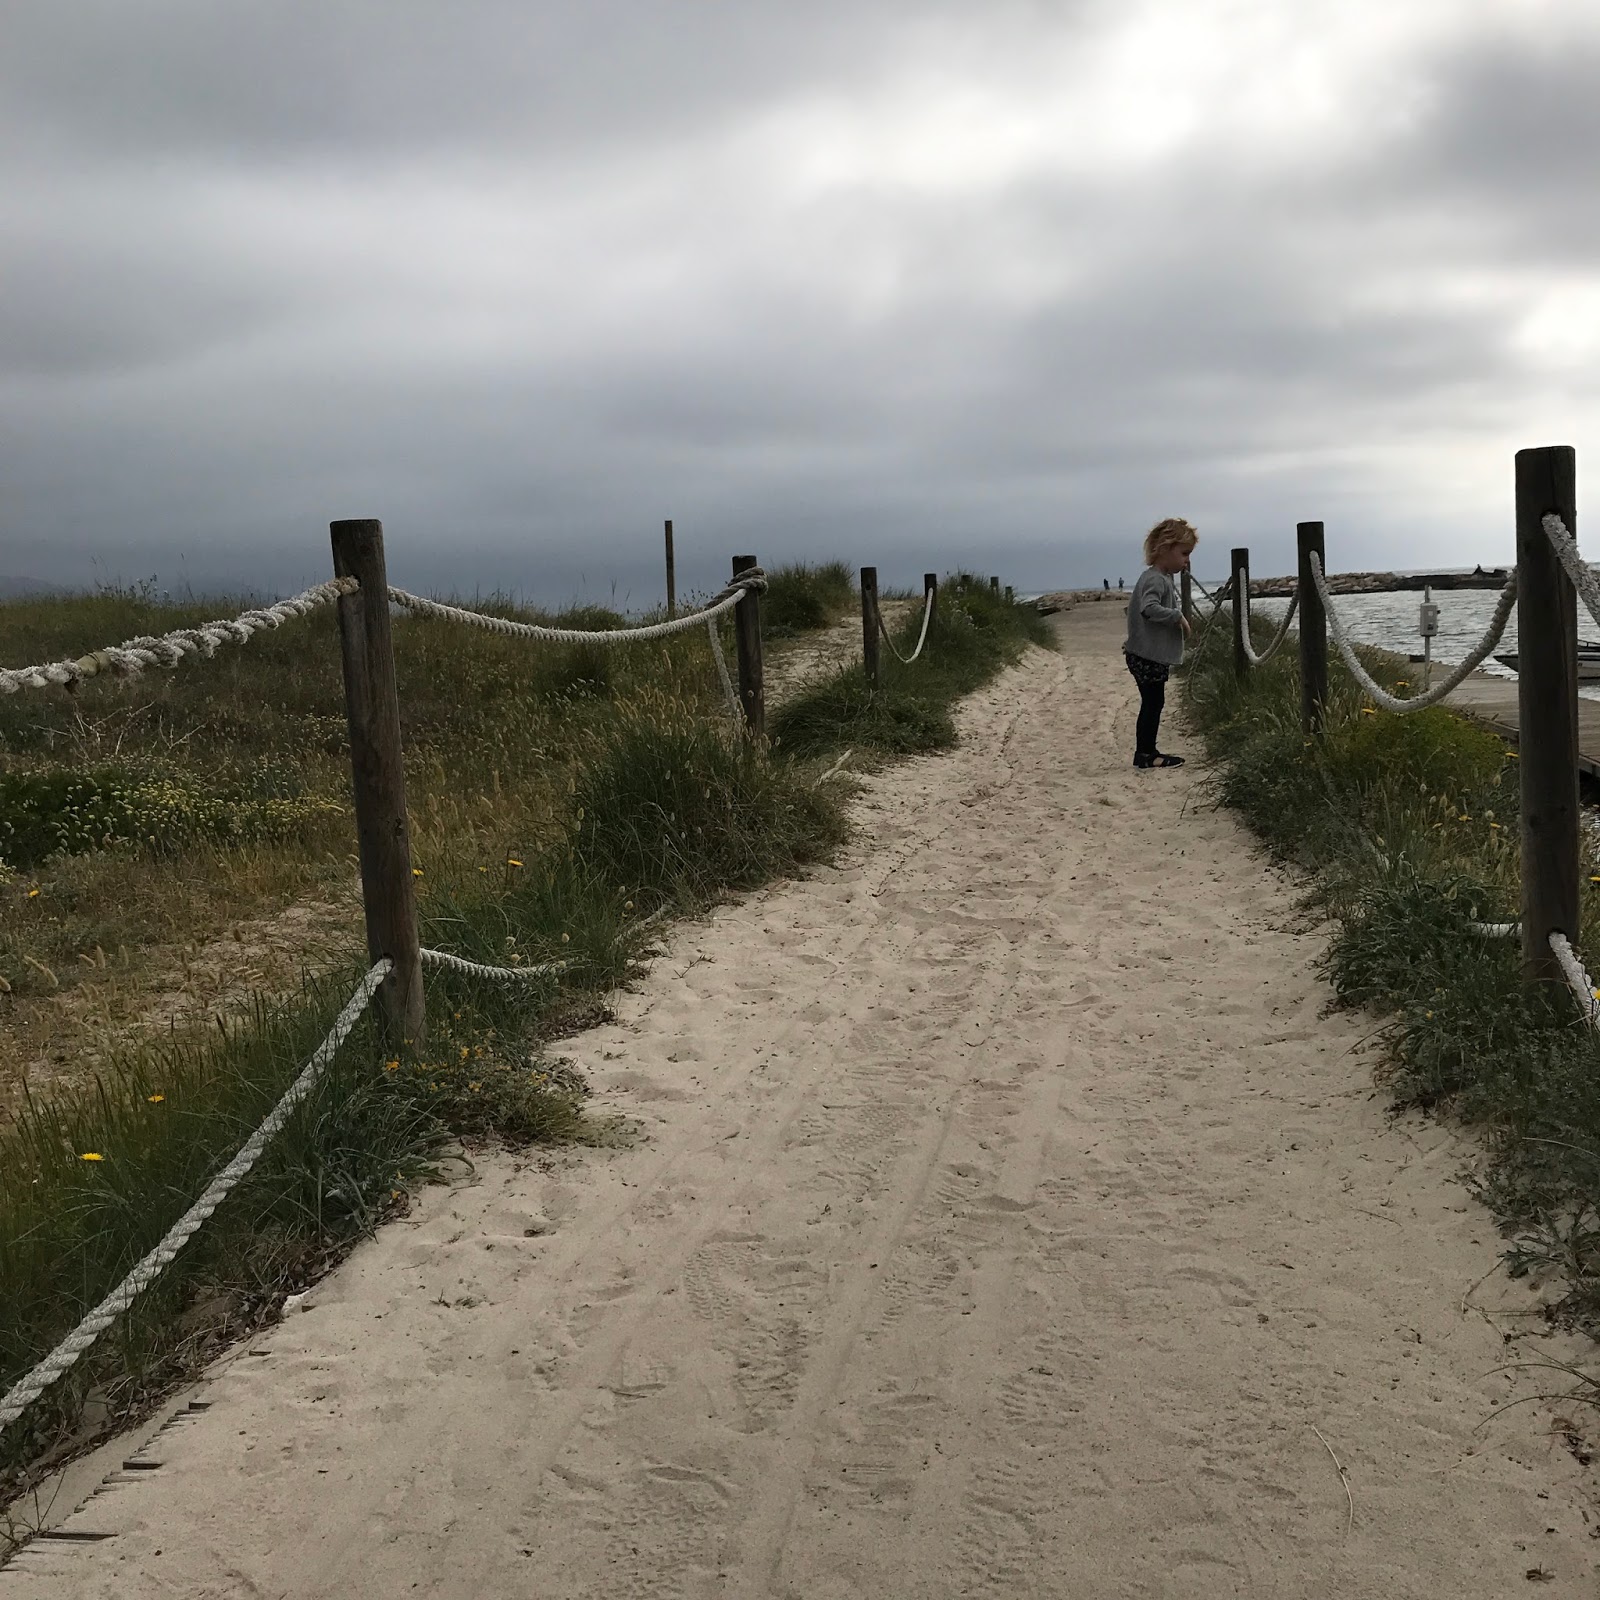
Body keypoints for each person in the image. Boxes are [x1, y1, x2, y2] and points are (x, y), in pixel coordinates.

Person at [1123, 517, 1198, 769]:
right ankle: (1145, 754)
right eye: (1184, 553)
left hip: (1145, 654)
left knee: (1153, 702)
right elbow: (1149, 608)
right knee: (1153, 703)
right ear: (1165, 549)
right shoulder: (1155, 579)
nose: (1187, 560)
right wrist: (1177, 616)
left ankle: (1147, 751)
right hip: (1147, 655)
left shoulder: (1160, 577)